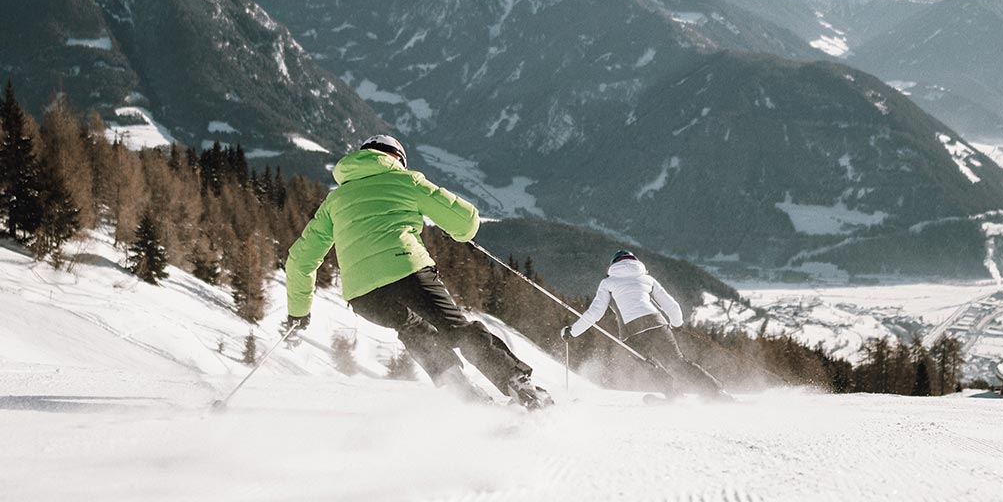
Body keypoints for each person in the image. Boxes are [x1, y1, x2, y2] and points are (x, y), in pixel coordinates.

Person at [284, 135, 553, 410]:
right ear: (397, 159)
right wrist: (461, 233)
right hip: (408, 271)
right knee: (456, 328)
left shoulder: (335, 200)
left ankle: (464, 395)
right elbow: (467, 220)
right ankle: (520, 386)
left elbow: (299, 261)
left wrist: (298, 313)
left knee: (412, 329)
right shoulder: (406, 181)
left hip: (362, 294)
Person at [564, 250, 727, 399]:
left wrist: (572, 332)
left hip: (631, 333)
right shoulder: (647, 279)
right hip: (656, 324)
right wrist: (676, 324)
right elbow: (671, 305)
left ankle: (673, 396)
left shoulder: (608, 283)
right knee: (677, 362)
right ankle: (716, 392)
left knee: (649, 365)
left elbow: (595, 313)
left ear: (613, 265)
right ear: (636, 262)